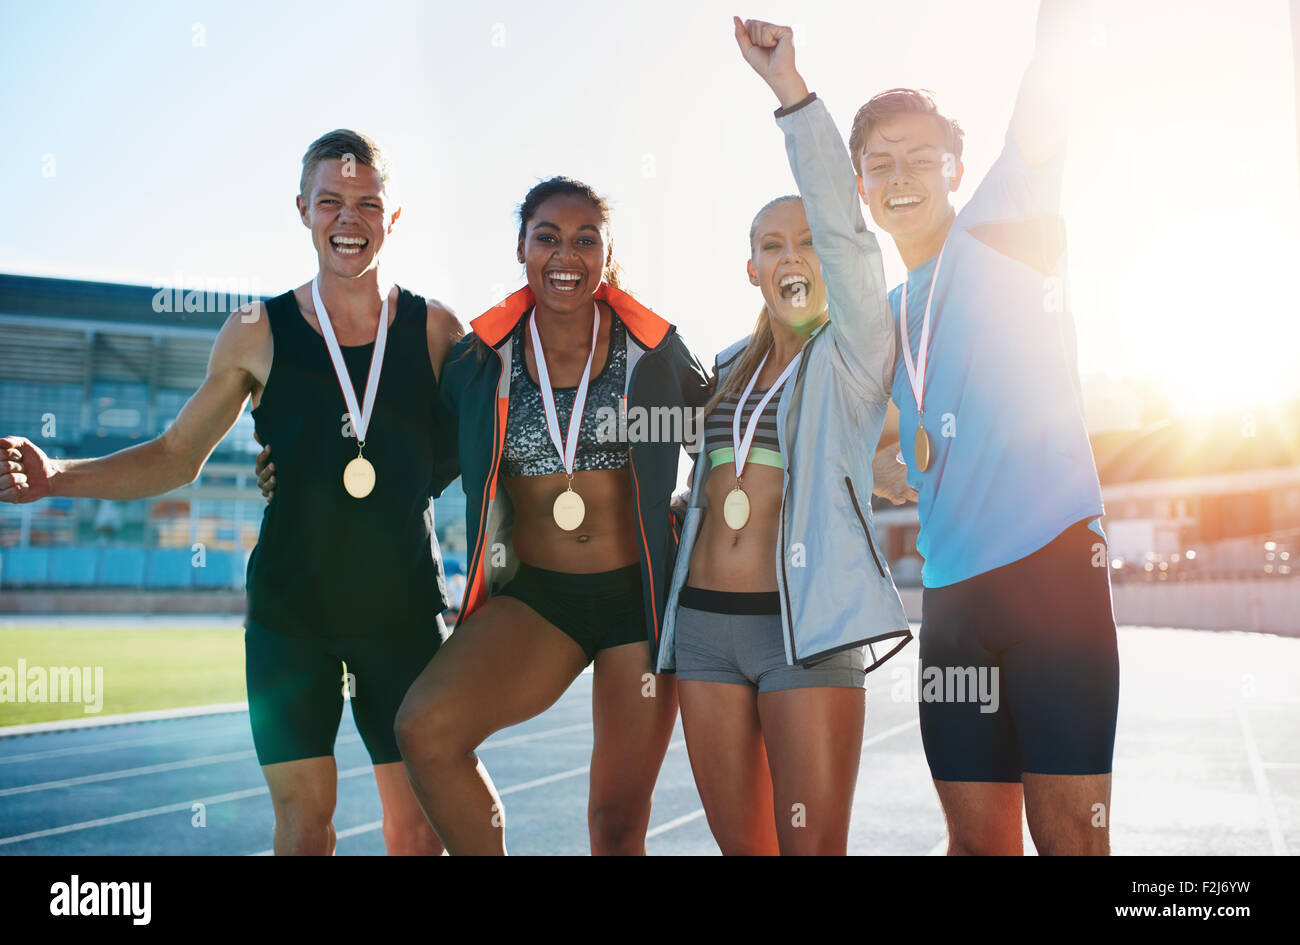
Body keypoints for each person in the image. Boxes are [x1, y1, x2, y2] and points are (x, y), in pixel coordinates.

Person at [0, 129, 464, 856]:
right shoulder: (255, 329)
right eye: (330, 201)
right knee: (304, 828)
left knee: (415, 830)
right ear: (303, 209)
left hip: (401, 612)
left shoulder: (435, 328)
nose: (349, 219)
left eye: (368, 202)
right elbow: (178, 454)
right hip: (291, 615)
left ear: (393, 216)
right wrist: (60, 474)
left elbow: (474, 449)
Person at [841, 0, 1119, 855]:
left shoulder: (1003, 222)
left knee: (1069, 834)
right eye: (879, 163)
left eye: (921, 156)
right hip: (954, 605)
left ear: (957, 166)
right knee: (975, 843)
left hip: (1053, 581)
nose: (901, 175)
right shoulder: (889, 320)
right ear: (861, 185)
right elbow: (891, 448)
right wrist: (895, 464)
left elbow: (1048, 89)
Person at [650, 20, 912, 856]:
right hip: (702, 631)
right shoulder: (722, 369)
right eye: (773, 245)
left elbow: (849, 233)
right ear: (752, 268)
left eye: (806, 241)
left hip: (806, 630)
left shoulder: (854, 354)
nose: (794, 254)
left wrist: (790, 93)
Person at [388, 177, 711, 855]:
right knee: (425, 727)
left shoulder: (652, 351)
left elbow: (718, 440)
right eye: (548, 237)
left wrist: (690, 503)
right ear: (521, 248)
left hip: (639, 604)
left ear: (607, 252)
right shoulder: (480, 362)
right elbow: (419, 461)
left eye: (585, 238)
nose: (567, 253)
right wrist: (295, 469)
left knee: (616, 824)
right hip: (539, 599)